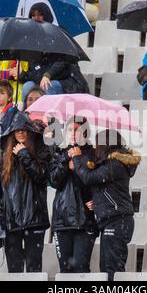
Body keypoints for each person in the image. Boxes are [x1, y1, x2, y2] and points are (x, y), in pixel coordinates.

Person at [68, 129, 141, 281]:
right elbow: (108, 189)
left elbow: (89, 178)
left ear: (105, 144)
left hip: (116, 221)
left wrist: (77, 158)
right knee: (107, 268)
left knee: (111, 269)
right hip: (113, 219)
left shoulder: (114, 164)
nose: (95, 148)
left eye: (97, 144)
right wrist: (99, 202)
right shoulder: (112, 163)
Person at [0, 111, 51, 273]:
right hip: (10, 220)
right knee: (14, 271)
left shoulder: (41, 152)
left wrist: (24, 155)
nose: (21, 132)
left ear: (30, 132)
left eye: (24, 129)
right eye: (17, 129)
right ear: (12, 133)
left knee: (33, 270)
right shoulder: (1, 157)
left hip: (35, 219)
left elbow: (42, 176)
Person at [49, 116, 99, 273]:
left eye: (77, 129)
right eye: (70, 129)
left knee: (81, 269)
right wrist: (65, 160)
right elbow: (53, 181)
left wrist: (97, 199)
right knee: (65, 270)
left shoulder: (93, 155)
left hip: (85, 220)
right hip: (62, 219)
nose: (73, 133)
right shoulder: (59, 154)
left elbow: (99, 182)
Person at [21, 3, 90, 100]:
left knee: (48, 86)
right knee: (27, 87)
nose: (36, 18)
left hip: (66, 80)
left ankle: (49, 115)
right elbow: (34, 70)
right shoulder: (31, 40)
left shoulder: (58, 33)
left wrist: (48, 74)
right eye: (33, 15)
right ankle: (27, 114)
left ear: (47, 16)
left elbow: (64, 60)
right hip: (44, 80)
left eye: (40, 14)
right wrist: (21, 75)